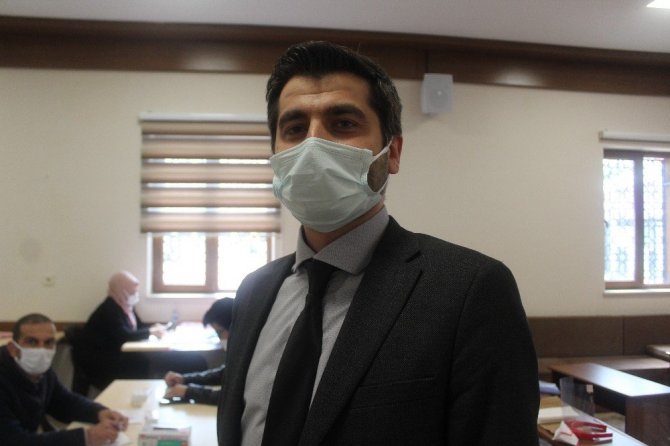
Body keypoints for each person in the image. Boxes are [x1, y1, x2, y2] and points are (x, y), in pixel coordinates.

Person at [216, 41, 540, 446]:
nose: (313, 145)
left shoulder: (470, 290)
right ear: (275, 154)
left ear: (393, 153)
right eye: (294, 129)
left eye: (343, 123)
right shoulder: (253, 291)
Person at [0, 313, 128, 445]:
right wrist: (86, 437)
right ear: (13, 349)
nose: (41, 350)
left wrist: (99, 412)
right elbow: (14, 441)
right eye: (32, 342)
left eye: (48, 342)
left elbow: (63, 401)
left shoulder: (42, 372)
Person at [76, 271, 166, 390]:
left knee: (143, 360)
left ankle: (140, 394)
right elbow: (124, 335)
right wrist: (150, 331)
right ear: (121, 291)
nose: (136, 295)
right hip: (101, 363)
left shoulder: (126, 306)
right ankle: (134, 395)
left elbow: (138, 326)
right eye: (132, 292)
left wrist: (154, 327)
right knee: (141, 362)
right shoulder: (109, 309)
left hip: (116, 356)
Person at [163, 297, 233, 405]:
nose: (220, 339)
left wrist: (188, 392)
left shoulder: (251, 354)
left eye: (220, 332)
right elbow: (224, 374)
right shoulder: (240, 352)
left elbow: (231, 398)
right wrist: (184, 379)